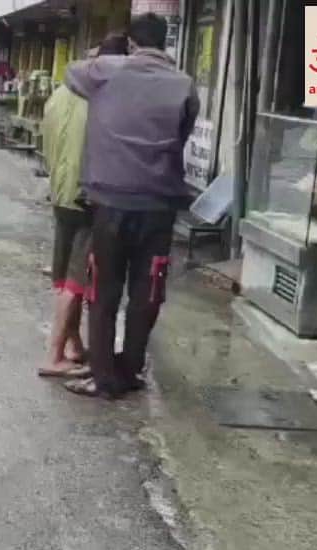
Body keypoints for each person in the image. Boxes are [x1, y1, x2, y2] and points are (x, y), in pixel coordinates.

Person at [62, 13, 198, 399]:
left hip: (110, 203)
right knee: (147, 291)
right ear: (166, 42)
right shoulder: (184, 84)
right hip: (159, 205)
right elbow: (182, 134)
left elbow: (71, 73)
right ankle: (131, 369)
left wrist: (111, 57)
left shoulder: (105, 72)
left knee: (103, 292)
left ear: (133, 44)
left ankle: (103, 377)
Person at [37, 34, 128, 378]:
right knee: (78, 280)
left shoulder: (60, 94)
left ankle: (73, 345)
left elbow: (47, 144)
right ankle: (54, 354)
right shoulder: (103, 97)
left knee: (63, 276)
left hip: (61, 192)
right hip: (88, 195)